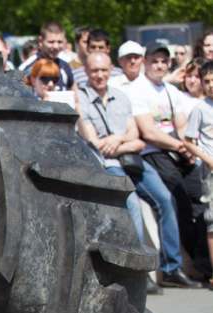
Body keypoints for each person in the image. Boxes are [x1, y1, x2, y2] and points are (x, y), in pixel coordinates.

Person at [78, 52, 192, 292]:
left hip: (132, 159)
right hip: (106, 163)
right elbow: (93, 142)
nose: (100, 75)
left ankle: (172, 268)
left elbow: (135, 137)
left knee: (165, 199)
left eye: (104, 70)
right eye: (95, 70)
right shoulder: (82, 99)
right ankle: (141, 273)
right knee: (132, 205)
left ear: (111, 70)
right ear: (87, 71)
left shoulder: (121, 96)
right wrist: (124, 141)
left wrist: (119, 139)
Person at [127, 43, 210, 280]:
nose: (160, 65)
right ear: (145, 62)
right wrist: (182, 147)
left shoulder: (171, 91)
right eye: (155, 60)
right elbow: (149, 132)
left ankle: (204, 259)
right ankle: (184, 263)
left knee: (201, 195)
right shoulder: (137, 90)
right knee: (177, 197)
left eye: (164, 61)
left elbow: (182, 125)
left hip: (178, 151)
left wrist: (188, 149)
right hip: (152, 152)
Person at [183, 61, 213, 281]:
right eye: (207, 81)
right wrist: (208, 159)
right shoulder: (200, 109)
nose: (211, 85)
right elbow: (189, 141)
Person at [22, 21, 75, 91]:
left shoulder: (65, 66)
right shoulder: (29, 67)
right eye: (51, 42)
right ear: (41, 41)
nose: (56, 46)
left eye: (59, 42)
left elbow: (74, 93)